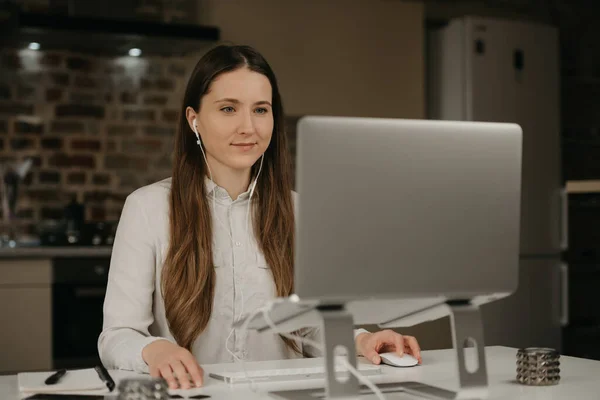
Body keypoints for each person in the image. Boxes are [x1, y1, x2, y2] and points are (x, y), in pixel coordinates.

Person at [98, 44, 421, 390]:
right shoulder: (147, 209)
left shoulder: (299, 213)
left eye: (260, 110)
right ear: (194, 120)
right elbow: (118, 335)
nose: (248, 127)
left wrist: (359, 341)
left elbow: (309, 325)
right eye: (228, 109)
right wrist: (154, 349)